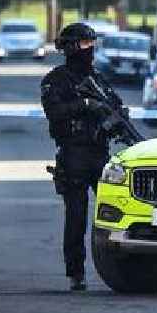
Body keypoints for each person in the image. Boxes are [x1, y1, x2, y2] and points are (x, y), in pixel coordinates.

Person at [40, 22, 119, 291]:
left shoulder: (97, 77)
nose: (91, 49)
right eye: (86, 44)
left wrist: (114, 116)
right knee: (76, 216)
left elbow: (114, 105)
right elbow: (54, 112)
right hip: (73, 154)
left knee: (114, 212)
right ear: (72, 47)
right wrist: (85, 105)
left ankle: (120, 269)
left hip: (100, 154)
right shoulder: (55, 80)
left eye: (92, 44)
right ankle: (76, 272)